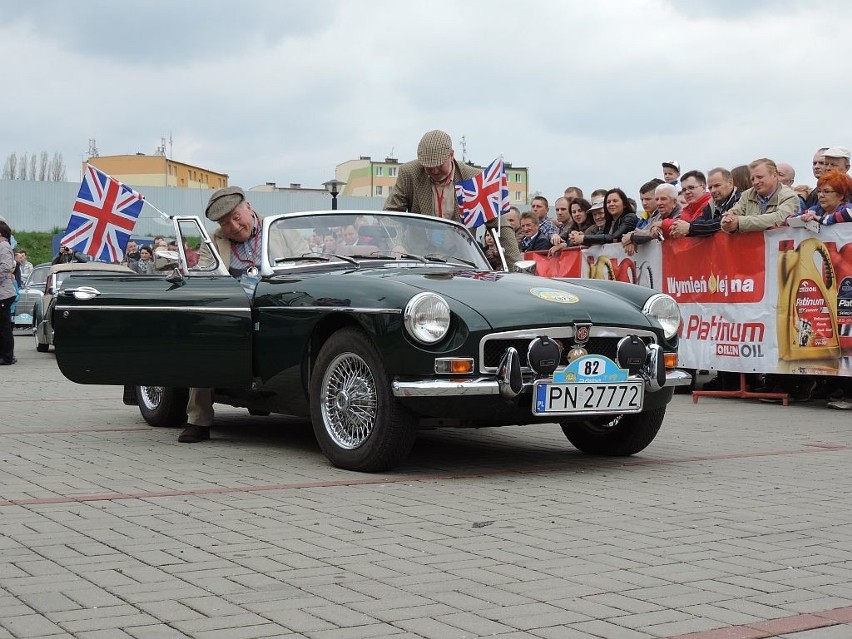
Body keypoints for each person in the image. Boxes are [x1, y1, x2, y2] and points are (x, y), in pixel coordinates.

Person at [179, 186, 310, 443]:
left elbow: (308, 265)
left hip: (277, 312)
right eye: (225, 223)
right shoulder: (213, 243)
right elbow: (206, 279)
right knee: (205, 347)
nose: (234, 226)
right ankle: (197, 420)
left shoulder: (281, 231)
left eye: (236, 217)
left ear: (248, 208)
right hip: (235, 317)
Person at [383, 129, 521, 269]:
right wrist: (397, 243)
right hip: (416, 259)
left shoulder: (475, 179)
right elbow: (390, 214)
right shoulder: (409, 173)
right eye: (429, 167)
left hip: (460, 261)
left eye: (439, 165)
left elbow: (500, 226)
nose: (435, 171)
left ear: (451, 155)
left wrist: (518, 269)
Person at [721, 158, 801, 233]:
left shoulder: (789, 196)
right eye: (752, 179)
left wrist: (740, 222)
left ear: (774, 176)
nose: (755, 182)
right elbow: (735, 211)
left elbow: (779, 219)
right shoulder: (747, 195)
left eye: (760, 177)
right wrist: (727, 220)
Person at [671, 167, 741, 238]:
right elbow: (702, 221)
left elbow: (722, 222)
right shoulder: (711, 204)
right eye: (710, 187)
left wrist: (690, 228)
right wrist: (681, 229)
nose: (713, 190)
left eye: (717, 186)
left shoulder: (740, 199)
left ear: (730, 183)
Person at [622, 183, 681, 254]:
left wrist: (632, 237)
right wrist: (631, 239)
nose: (659, 203)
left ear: (674, 202)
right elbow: (641, 231)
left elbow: (661, 232)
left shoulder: (682, 213)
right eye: (657, 199)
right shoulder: (658, 216)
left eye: (663, 199)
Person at [569, 188, 637, 246]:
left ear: (624, 204)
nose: (611, 204)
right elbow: (599, 236)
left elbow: (614, 237)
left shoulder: (630, 217)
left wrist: (584, 238)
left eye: (615, 201)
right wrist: (580, 236)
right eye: (608, 202)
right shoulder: (609, 222)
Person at [0, 220, 17, 365]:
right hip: (3, 293)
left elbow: (5, 267)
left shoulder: (4, 247)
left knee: (4, 326)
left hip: (4, 293)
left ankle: (7, 356)